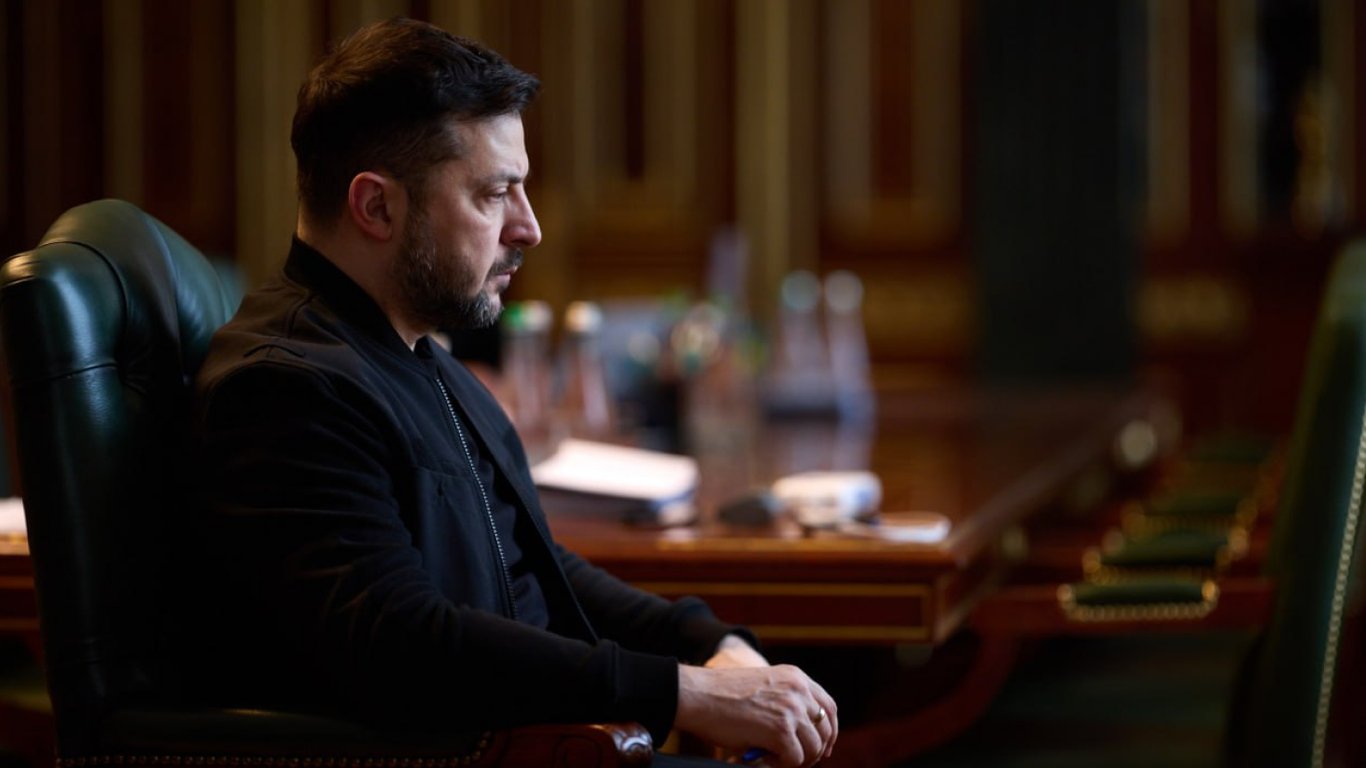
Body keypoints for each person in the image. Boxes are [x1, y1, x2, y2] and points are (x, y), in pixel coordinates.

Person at [190, 17, 836, 768]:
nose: (528, 228)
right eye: (496, 194)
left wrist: (710, 644)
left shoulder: (414, 351)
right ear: (376, 207)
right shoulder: (285, 387)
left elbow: (536, 564)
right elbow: (402, 641)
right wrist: (683, 692)